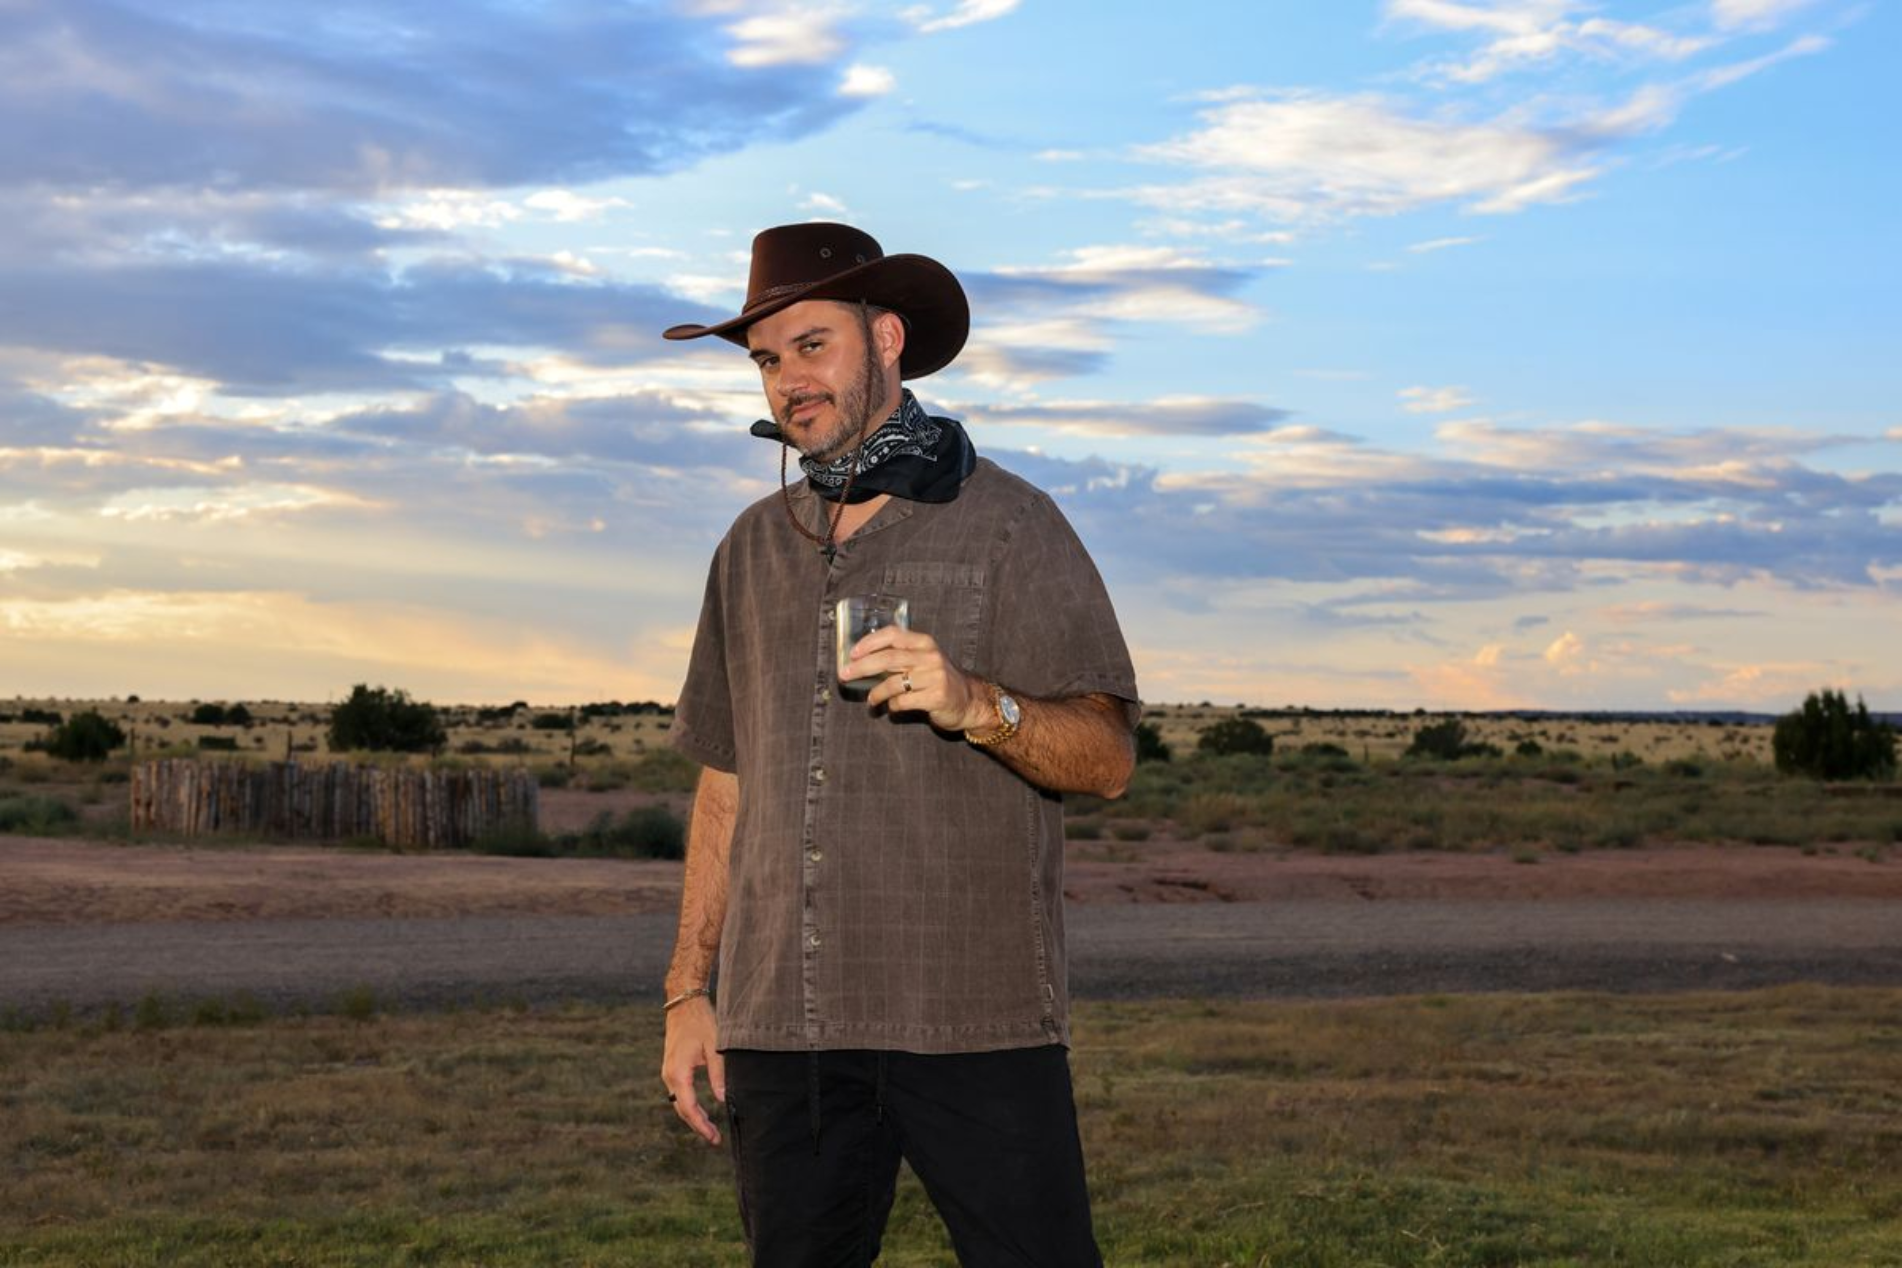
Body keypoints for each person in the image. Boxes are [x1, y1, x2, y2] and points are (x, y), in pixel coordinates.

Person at [658, 221, 1140, 1267]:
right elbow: (728, 781)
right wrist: (689, 990)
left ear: (885, 338)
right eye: (767, 358)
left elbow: (1105, 757)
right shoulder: (750, 549)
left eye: (812, 345)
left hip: (976, 1016)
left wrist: (980, 705)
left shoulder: (1013, 525)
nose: (788, 380)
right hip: (784, 1025)